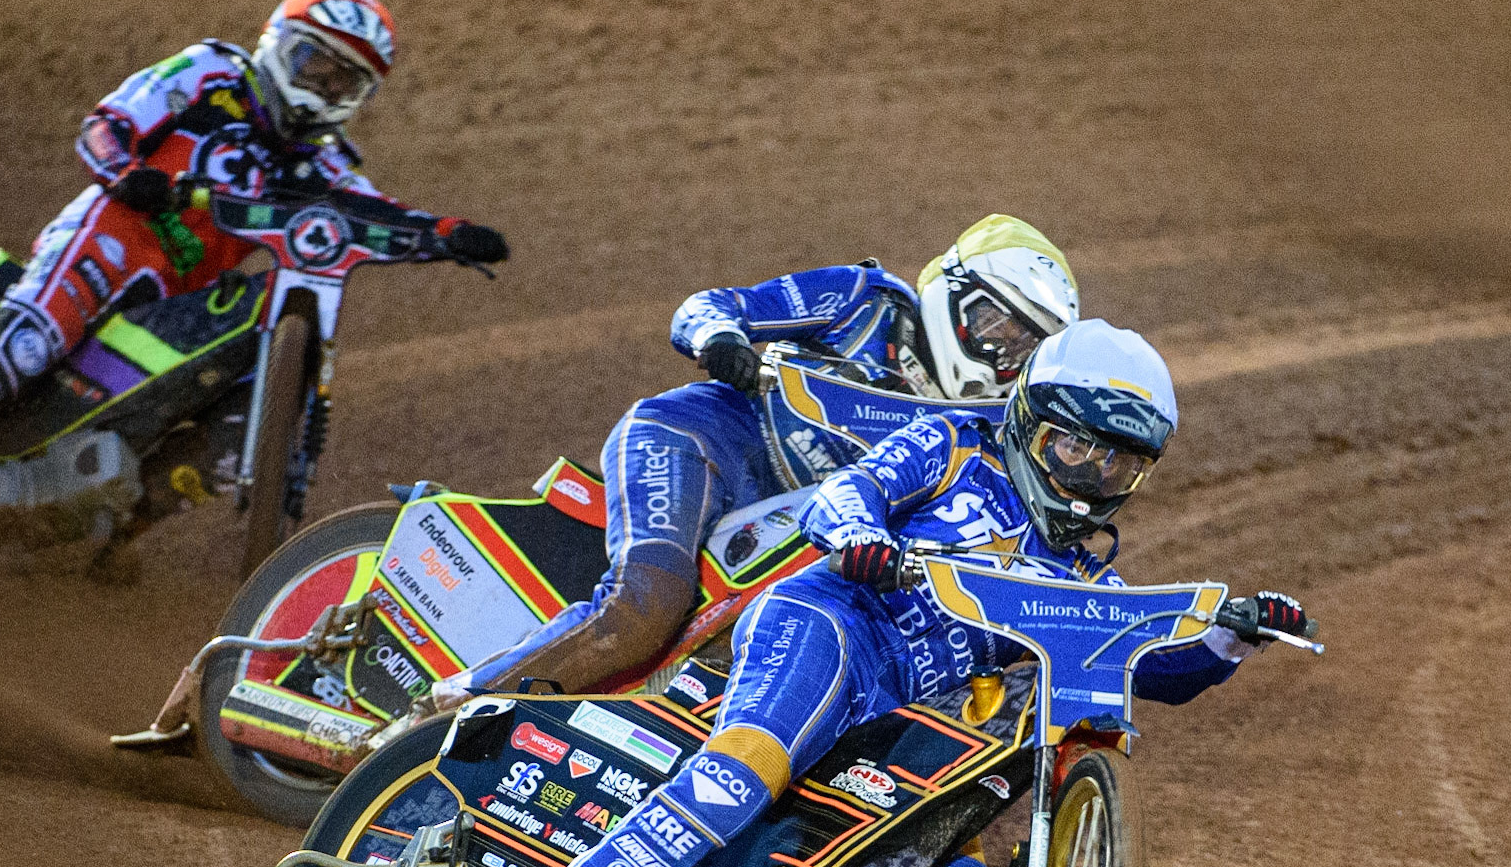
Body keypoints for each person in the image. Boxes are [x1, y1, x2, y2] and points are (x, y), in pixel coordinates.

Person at [478, 318, 1311, 867]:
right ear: (1029, 419)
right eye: (1073, 446)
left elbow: (1155, 666)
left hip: (900, 713)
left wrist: (1235, 634)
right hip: (830, 625)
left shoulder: (1077, 570)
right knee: (742, 775)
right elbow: (849, 491)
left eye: (1115, 465)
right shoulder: (954, 447)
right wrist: (858, 536)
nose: (1086, 476)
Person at [0, 0, 509, 541]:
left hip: (172, 301)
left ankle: (114, 531)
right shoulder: (210, 72)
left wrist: (447, 233)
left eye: (342, 82)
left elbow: (368, 215)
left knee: (225, 395)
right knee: (27, 344)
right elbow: (106, 126)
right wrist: (122, 173)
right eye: (313, 64)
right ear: (276, 42)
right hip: (110, 237)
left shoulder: (322, 162)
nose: (321, 88)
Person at [431, 215, 1079, 705]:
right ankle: (452, 705)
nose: (1003, 353)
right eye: (997, 324)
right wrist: (721, 341)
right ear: (950, 290)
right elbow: (708, 307)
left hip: (794, 535)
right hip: (700, 442)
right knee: (646, 604)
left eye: (1024, 347)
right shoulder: (865, 302)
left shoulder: (972, 433)